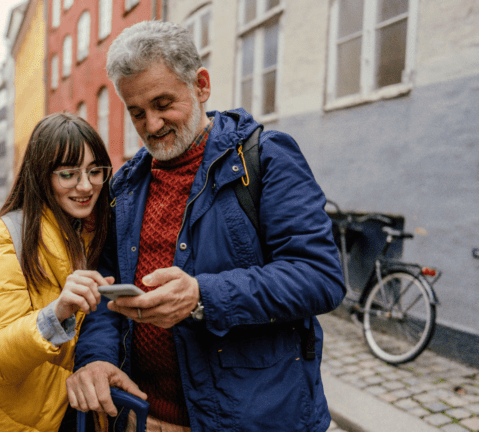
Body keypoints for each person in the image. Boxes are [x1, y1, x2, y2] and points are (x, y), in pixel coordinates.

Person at [65, 21, 346, 432]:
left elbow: (320, 277)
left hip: (251, 420)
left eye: (164, 104)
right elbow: (103, 291)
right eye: (137, 112)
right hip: (144, 417)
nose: (152, 124)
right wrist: (96, 358)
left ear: (200, 85)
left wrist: (202, 297)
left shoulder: (266, 160)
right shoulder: (124, 186)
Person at [0, 112, 116, 431]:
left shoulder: (93, 232)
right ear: (42, 175)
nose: (86, 185)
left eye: (95, 171)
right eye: (69, 174)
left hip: (83, 417)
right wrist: (55, 313)